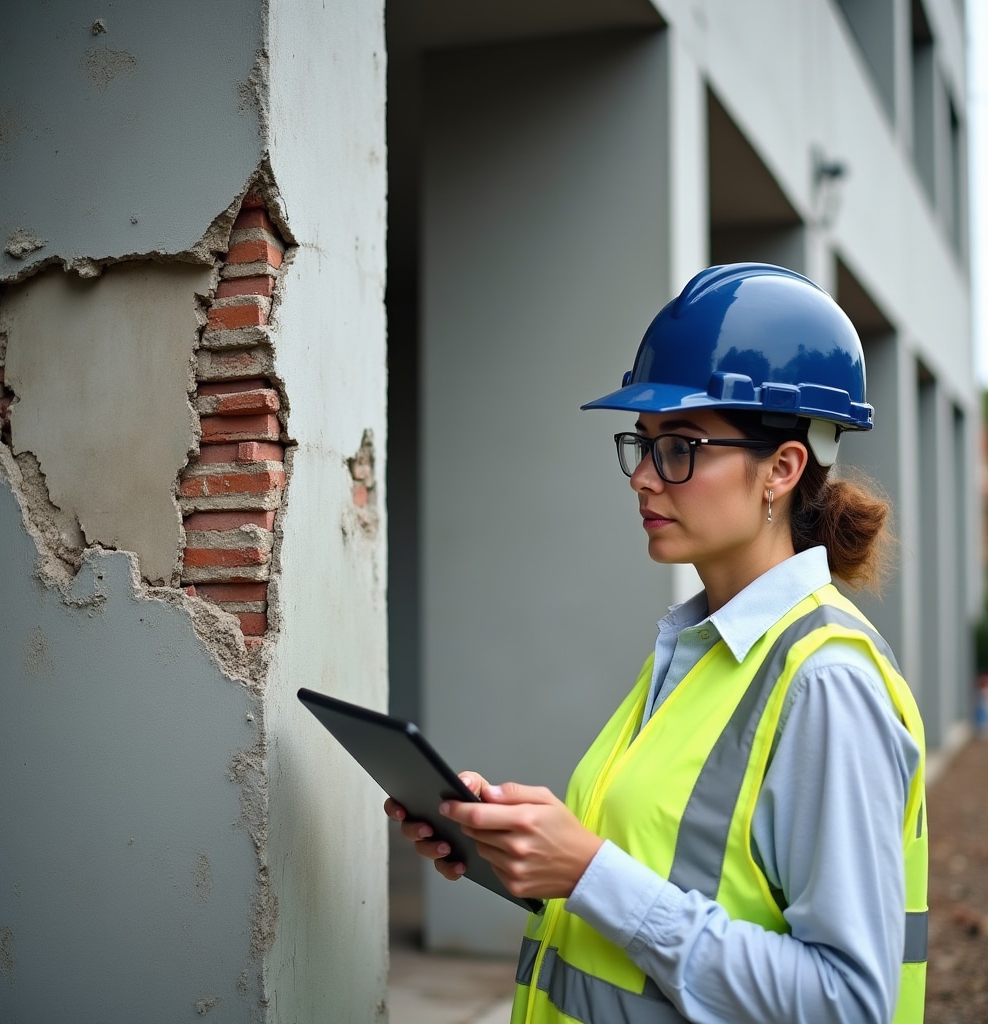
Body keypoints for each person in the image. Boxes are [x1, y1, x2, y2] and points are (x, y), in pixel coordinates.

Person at [386, 263, 928, 1024]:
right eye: (639, 446)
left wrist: (590, 873)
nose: (642, 477)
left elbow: (846, 1003)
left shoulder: (826, 682)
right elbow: (665, 882)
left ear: (782, 468)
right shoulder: (700, 647)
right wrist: (516, 854)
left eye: (678, 447)